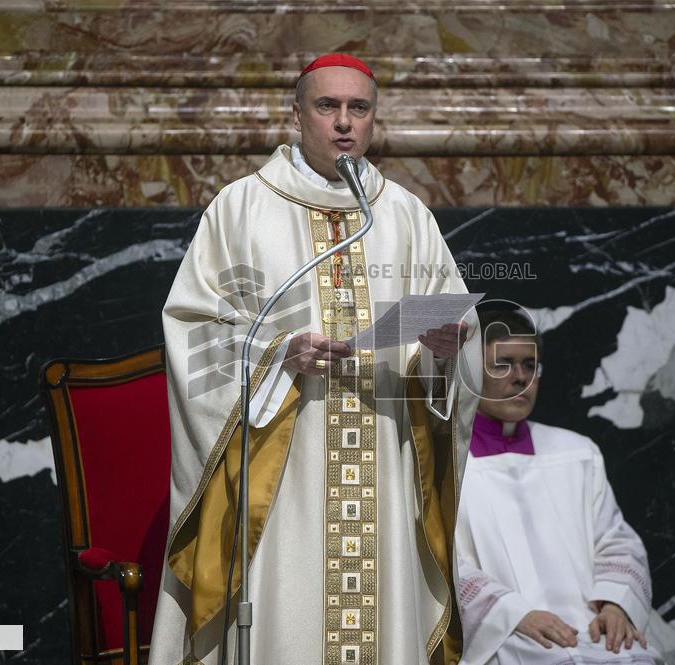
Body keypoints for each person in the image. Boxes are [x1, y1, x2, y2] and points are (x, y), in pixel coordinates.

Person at [149, 54, 482, 665]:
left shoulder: (405, 216)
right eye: (328, 106)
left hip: (383, 459)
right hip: (280, 470)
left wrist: (443, 355)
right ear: (297, 114)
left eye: (359, 108)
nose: (344, 122)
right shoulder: (241, 209)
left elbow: (455, 328)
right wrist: (278, 354)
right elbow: (193, 329)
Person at [456, 309, 661, 665]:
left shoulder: (576, 453)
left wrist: (615, 604)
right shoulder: (445, 466)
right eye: (503, 364)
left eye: (529, 365)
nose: (521, 378)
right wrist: (513, 614)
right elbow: (440, 564)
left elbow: (615, 541)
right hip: (508, 634)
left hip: (592, 630)